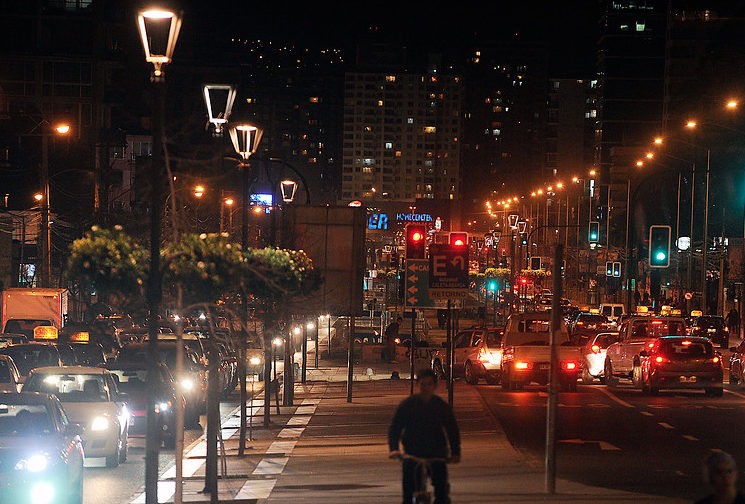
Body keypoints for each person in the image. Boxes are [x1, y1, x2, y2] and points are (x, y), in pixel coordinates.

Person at [388, 368, 460, 504]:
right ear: (417, 385)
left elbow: (452, 429)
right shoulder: (408, 405)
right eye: (422, 384)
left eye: (429, 384)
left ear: (434, 386)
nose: (426, 388)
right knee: (408, 491)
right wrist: (394, 448)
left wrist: (455, 452)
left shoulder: (441, 406)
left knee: (442, 492)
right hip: (413, 453)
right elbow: (395, 428)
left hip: (436, 453)